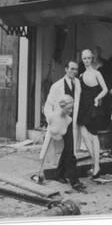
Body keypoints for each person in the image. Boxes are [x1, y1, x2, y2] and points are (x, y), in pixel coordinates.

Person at [40, 61, 85, 190]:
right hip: (60, 121)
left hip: (72, 121)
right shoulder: (56, 86)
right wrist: (50, 118)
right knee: (70, 150)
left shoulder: (77, 83)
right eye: (71, 69)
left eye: (76, 69)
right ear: (66, 69)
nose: (73, 72)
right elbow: (48, 105)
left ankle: (59, 173)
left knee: (68, 148)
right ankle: (74, 180)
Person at [77, 49, 109, 179]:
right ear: (82, 59)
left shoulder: (97, 73)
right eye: (84, 58)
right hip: (83, 108)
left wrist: (97, 98)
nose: (86, 61)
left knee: (94, 136)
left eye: (89, 58)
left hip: (94, 108)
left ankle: (96, 166)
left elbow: (105, 89)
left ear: (92, 58)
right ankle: (95, 163)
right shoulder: (80, 75)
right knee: (85, 136)